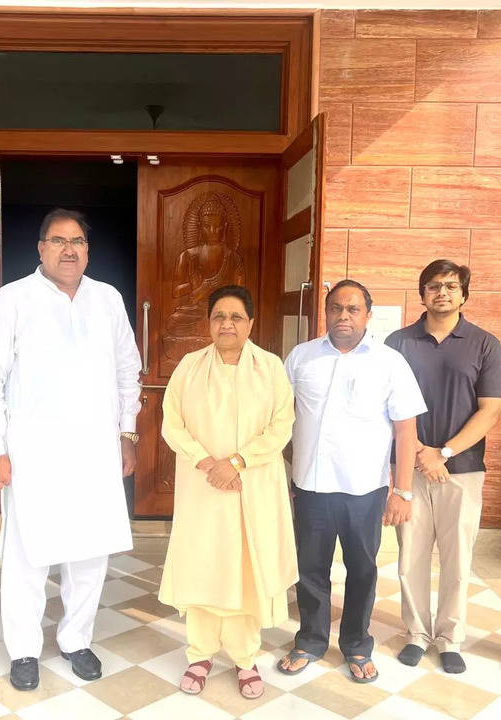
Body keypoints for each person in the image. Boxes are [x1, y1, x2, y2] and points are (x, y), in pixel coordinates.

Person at [0, 208, 142, 692]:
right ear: (41, 248)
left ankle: (75, 640)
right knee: (28, 556)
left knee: (90, 555)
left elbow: (128, 369)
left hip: (94, 452)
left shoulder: (107, 299)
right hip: (32, 454)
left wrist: (126, 434)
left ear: (88, 250)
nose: (70, 249)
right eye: (59, 240)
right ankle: (24, 650)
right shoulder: (15, 299)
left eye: (78, 242)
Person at [276, 280, 424, 683]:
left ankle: (357, 644)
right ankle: (309, 640)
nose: (344, 316)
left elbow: (405, 431)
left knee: (362, 570)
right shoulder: (301, 357)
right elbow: (277, 418)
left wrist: (403, 491)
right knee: (310, 569)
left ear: (367, 315)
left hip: (365, 490)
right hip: (310, 486)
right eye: (336, 308)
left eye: (353, 309)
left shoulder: (389, 362)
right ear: (325, 312)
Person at [157, 285, 296, 700]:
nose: (227, 324)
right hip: (204, 488)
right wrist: (207, 463)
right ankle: (199, 654)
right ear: (209, 323)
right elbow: (172, 423)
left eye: (236, 316)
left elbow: (281, 425)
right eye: (219, 316)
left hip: (251, 485)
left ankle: (244, 657)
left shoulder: (270, 368)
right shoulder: (189, 366)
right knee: (203, 566)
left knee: (244, 569)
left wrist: (235, 463)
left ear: (251, 323)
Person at [384, 260, 501, 674]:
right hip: (409, 468)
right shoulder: (398, 343)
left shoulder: (484, 344)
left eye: (451, 286)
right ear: (421, 293)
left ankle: (451, 638)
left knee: (458, 558)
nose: (442, 292)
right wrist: (421, 452)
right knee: (411, 556)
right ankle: (416, 633)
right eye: (433, 286)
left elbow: (491, 410)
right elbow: (385, 406)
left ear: (464, 294)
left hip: (463, 468)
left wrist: (445, 453)